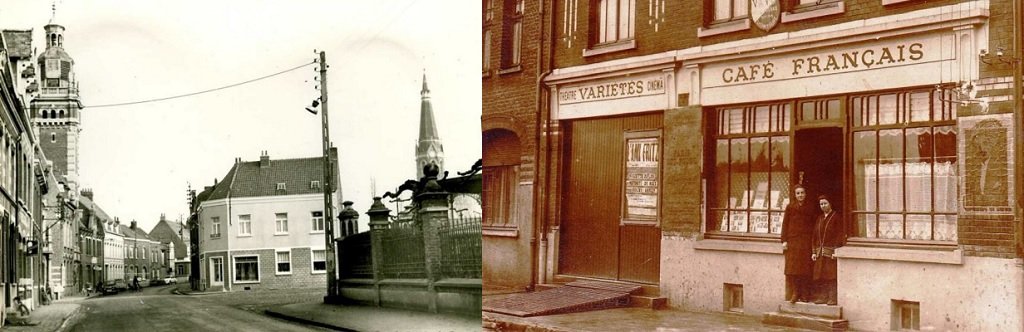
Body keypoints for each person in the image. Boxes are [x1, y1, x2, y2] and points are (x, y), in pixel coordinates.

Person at [780, 185, 815, 303]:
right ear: (795, 195)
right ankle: (795, 293)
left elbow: (813, 224)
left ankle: (805, 294)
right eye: (798, 193)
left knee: (805, 268)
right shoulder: (790, 207)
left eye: (802, 193)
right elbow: (785, 224)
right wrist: (784, 240)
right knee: (793, 269)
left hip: (805, 241)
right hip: (793, 241)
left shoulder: (810, 207)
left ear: (805, 194)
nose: (800, 195)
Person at [811, 195, 845, 305]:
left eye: (825, 203)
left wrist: (835, 250)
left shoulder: (836, 217)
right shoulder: (820, 218)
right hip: (820, 252)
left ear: (830, 204)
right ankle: (823, 297)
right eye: (821, 204)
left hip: (830, 252)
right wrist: (813, 252)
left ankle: (832, 298)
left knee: (831, 275)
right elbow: (814, 236)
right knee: (821, 275)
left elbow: (839, 235)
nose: (823, 206)